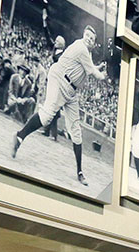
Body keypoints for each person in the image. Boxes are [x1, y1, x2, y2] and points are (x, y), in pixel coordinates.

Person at [12, 25, 106, 185]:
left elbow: (89, 67)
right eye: (88, 36)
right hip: (59, 78)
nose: (89, 39)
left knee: (76, 131)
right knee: (48, 115)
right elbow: (95, 74)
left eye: (92, 39)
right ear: (84, 35)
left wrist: (97, 67)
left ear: (93, 42)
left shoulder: (87, 52)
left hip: (71, 91)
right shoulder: (81, 47)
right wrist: (102, 74)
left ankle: (80, 172)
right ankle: (20, 136)